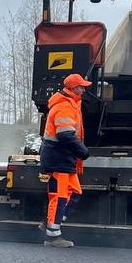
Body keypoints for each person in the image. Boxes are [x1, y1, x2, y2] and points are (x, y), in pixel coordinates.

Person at [40, 73, 91, 248]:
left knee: (75, 193)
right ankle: (53, 236)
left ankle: (49, 223)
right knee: (59, 197)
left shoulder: (72, 104)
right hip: (58, 157)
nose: (83, 90)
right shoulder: (64, 107)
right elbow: (65, 135)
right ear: (73, 88)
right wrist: (82, 151)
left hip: (64, 158)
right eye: (81, 87)